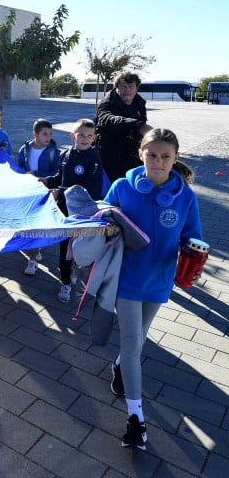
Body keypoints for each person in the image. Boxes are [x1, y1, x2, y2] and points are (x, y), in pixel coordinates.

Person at [103, 128, 203, 451]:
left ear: (175, 159)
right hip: (126, 278)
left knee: (139, 338)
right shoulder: (122, 187)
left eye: (165, 157)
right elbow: (102, 215)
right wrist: (106, 224)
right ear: (141, 154)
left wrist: (195, 259)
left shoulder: (186, 197)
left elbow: (193, 236)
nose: (157, 162)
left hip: (160, 280)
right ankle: (136, 421)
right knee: (132, 342)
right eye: (151, 154)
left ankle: (119, 366)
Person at [43, 119, 105, 301]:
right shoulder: (66, 154)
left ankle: (77, 275)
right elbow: (59, 177)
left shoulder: (94, 159)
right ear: (73, 136)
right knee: (63, 248)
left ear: (94, 138)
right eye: (81, 135)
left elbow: (90, 191)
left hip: (83, 215)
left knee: (79, 249)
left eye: (89, 136)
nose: (84, 139)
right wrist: (46, 181)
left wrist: (59, 191)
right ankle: (65, 283)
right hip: (64, 213)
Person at [16, 118, 61, 275]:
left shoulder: (55, 152)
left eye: (49, 134)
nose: (48, 137)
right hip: (29, 191)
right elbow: (19, 166)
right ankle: (34, 255)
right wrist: (25, 175)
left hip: (45, 191)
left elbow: (57, 172)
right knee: (30, 223)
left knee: (39, 223)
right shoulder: (25, 149)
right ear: (35, 134)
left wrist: (45, 179)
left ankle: (33, 257)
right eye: (44, 134)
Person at [95, 72, 152, 182]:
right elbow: (107, 118)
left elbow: (143, 120)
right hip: (110, 153)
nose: (127, 90)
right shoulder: (107, 102)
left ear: (136, 88)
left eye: (131, 87)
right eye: (123, 87)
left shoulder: (139, 102)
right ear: (117, 88)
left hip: (133, 152)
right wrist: (138, 126)